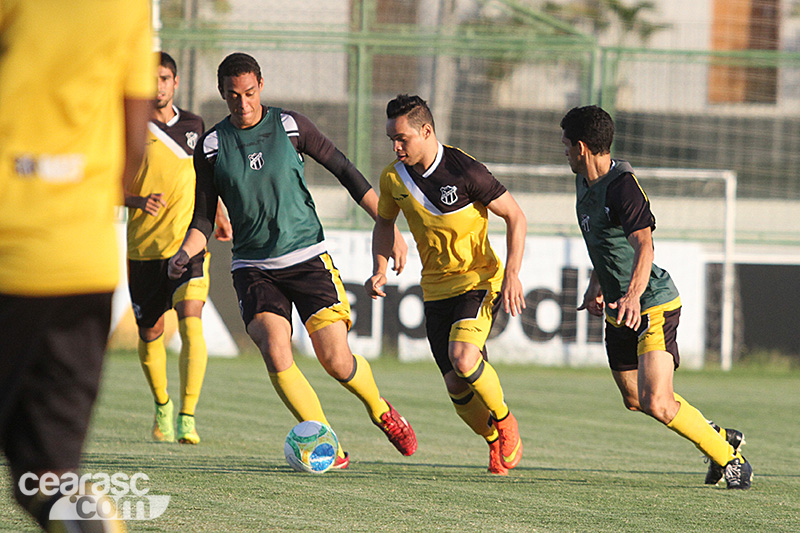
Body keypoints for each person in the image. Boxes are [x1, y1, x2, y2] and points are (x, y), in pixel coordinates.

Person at [167, 52, 417, 467]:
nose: (242, 104)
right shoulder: (211, 146)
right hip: (254, 268)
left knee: (336, 361)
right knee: (274, 348)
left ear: (260, 86)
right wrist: (184, 252)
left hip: (307, 258)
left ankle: (380, 410)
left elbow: (346, 171)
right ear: (221, 94)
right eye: (232, 96)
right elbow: (203, 218)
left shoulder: (290, 125)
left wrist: (387, 226)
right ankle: (328, 446)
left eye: (248, 93)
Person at [0, 0, 153, 530]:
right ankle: (83, 518)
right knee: (45, 475)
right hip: (83, 261)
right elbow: (135, 142)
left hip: (8, 249)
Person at [559, 105, 752, 489]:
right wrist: (597, 283)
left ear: (581, 147)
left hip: (651, 304)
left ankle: (732, 460)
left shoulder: (623, 186)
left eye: (565, 144)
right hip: (620, 307)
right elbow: (605, 241)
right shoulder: (584, 182)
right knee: (635, 399)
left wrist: (632, 295)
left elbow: (644, 244)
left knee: (658, 403)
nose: (562, 151)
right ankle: (717, 436)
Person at [365, 94, 527, 475]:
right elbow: (385, 222)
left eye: (402, 138)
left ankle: (506, 422)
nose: (395, 146)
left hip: (479, 280)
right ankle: (491, 439)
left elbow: (516, 216)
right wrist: (379, 267)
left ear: (426, 131)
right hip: (435, 290)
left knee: (464, 357)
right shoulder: (393, 177)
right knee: (456, 386)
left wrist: (514, 274)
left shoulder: (465, 171)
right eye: (391, 138)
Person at [125, 52, 231, 445]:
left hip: (187, 244)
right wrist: (137, 202)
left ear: (175, 81)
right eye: (151, 78)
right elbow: (105, 184)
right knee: (151, 332)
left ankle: (187, 416)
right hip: (143, 249)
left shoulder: (194, 125)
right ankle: (163, 406)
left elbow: (204, 177)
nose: (158, 85)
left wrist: (217, 213)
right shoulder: (130, 127)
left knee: (191, 322)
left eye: (165, 78)